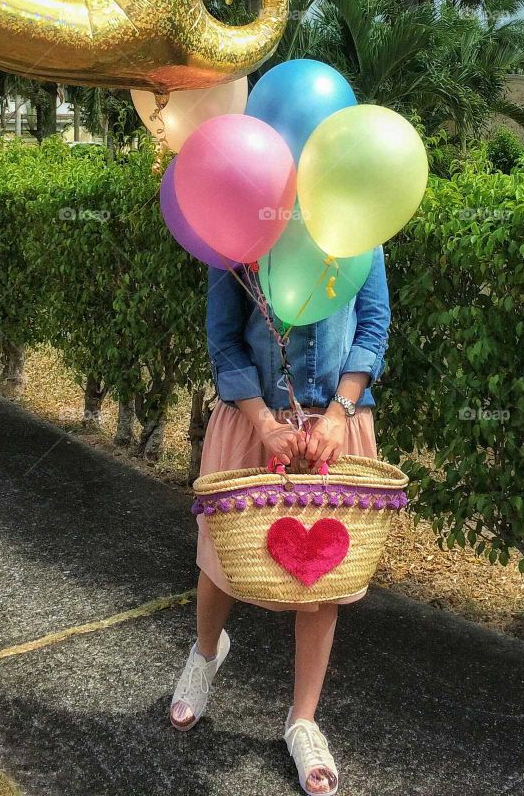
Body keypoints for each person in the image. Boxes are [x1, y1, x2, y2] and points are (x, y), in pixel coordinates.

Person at [169, 249, 390, 796]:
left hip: (335, 431)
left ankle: (303, 721)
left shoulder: (357, 226)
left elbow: (373, 323)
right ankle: (204, 655)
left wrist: (337, 415)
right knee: (220, 560)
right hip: (253, 424)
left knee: (323, 578)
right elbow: (224, 337)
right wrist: (265, 424)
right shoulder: (237, 227)